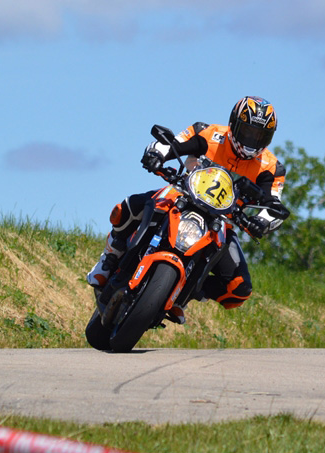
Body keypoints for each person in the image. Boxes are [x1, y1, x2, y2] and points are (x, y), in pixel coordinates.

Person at [87, 96, 287, 312]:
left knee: (239, 290)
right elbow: (173, 144)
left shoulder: (272, 168)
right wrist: (156, 154)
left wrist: (262, 221)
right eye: (248, 132)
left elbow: (273, 204)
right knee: (127, 207)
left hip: (222, 221)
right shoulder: (208, 133)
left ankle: (185, 290)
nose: (252, 140)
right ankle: (109, 257)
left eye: (259, 135)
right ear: (234, 124)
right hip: (182, 195)